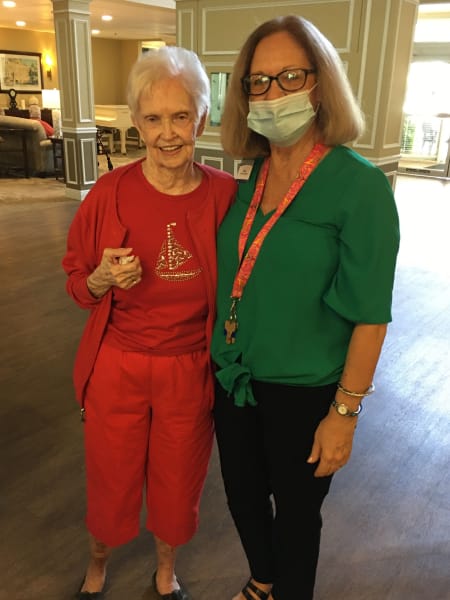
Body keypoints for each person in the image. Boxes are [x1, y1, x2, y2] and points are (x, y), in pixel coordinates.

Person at [210, 15, 400, 600]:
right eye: (257, 82)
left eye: (290, 76)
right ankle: (262, 581)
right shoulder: (249, 178)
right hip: (234, 377)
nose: (272, 94)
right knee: (242, 498)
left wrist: (344, 414)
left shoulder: (359, 185)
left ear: (320, 85)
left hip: (304, 391)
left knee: (295, 516)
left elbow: (371, 314)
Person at [62, 46, 236, 599]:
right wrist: (101, 281)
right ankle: (97, 565)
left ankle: (166, 571)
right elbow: (76, 280)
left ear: (202, 120)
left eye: (180, 116)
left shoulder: (226, 196)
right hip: (118, 365)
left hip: (190, 368)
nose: (167, 133)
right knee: (110, 475)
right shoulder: (109, 194)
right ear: (136, 122)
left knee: (178, 479)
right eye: (153, 118)